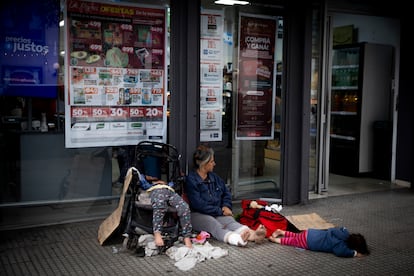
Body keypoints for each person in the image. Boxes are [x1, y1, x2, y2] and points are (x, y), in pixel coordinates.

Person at [185, 144, 266, 246]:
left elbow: (226, 193)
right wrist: (221, 210)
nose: (214, 164)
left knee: (230, 221)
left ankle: (253, 235)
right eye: (211, 162)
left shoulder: (214, 177)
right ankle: (237, 240)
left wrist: (226, 206)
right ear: (204, 164)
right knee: (213, 224)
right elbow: (198, 205)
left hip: (217, 211)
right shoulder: (191, 180)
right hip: (197, 214)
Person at [134, 168, 193, 248]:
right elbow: (140, 177)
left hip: (170, 191)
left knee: (184, 207)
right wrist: (149, 178)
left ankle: (187, 236)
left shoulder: (169, 185)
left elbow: (176, 181)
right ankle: (157, 232)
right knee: (160, 204)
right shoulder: (149, 185)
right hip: (156, 191)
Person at [269, 227, 370, 257]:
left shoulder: (344, 234)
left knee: (297, 236)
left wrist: (344, 229)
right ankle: (275, 240)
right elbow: (341, 252)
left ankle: (281, 231)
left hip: (310, 232)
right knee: (292, 241)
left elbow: (342, 229)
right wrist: (355, 253)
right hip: (309, 242)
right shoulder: (340, 245)